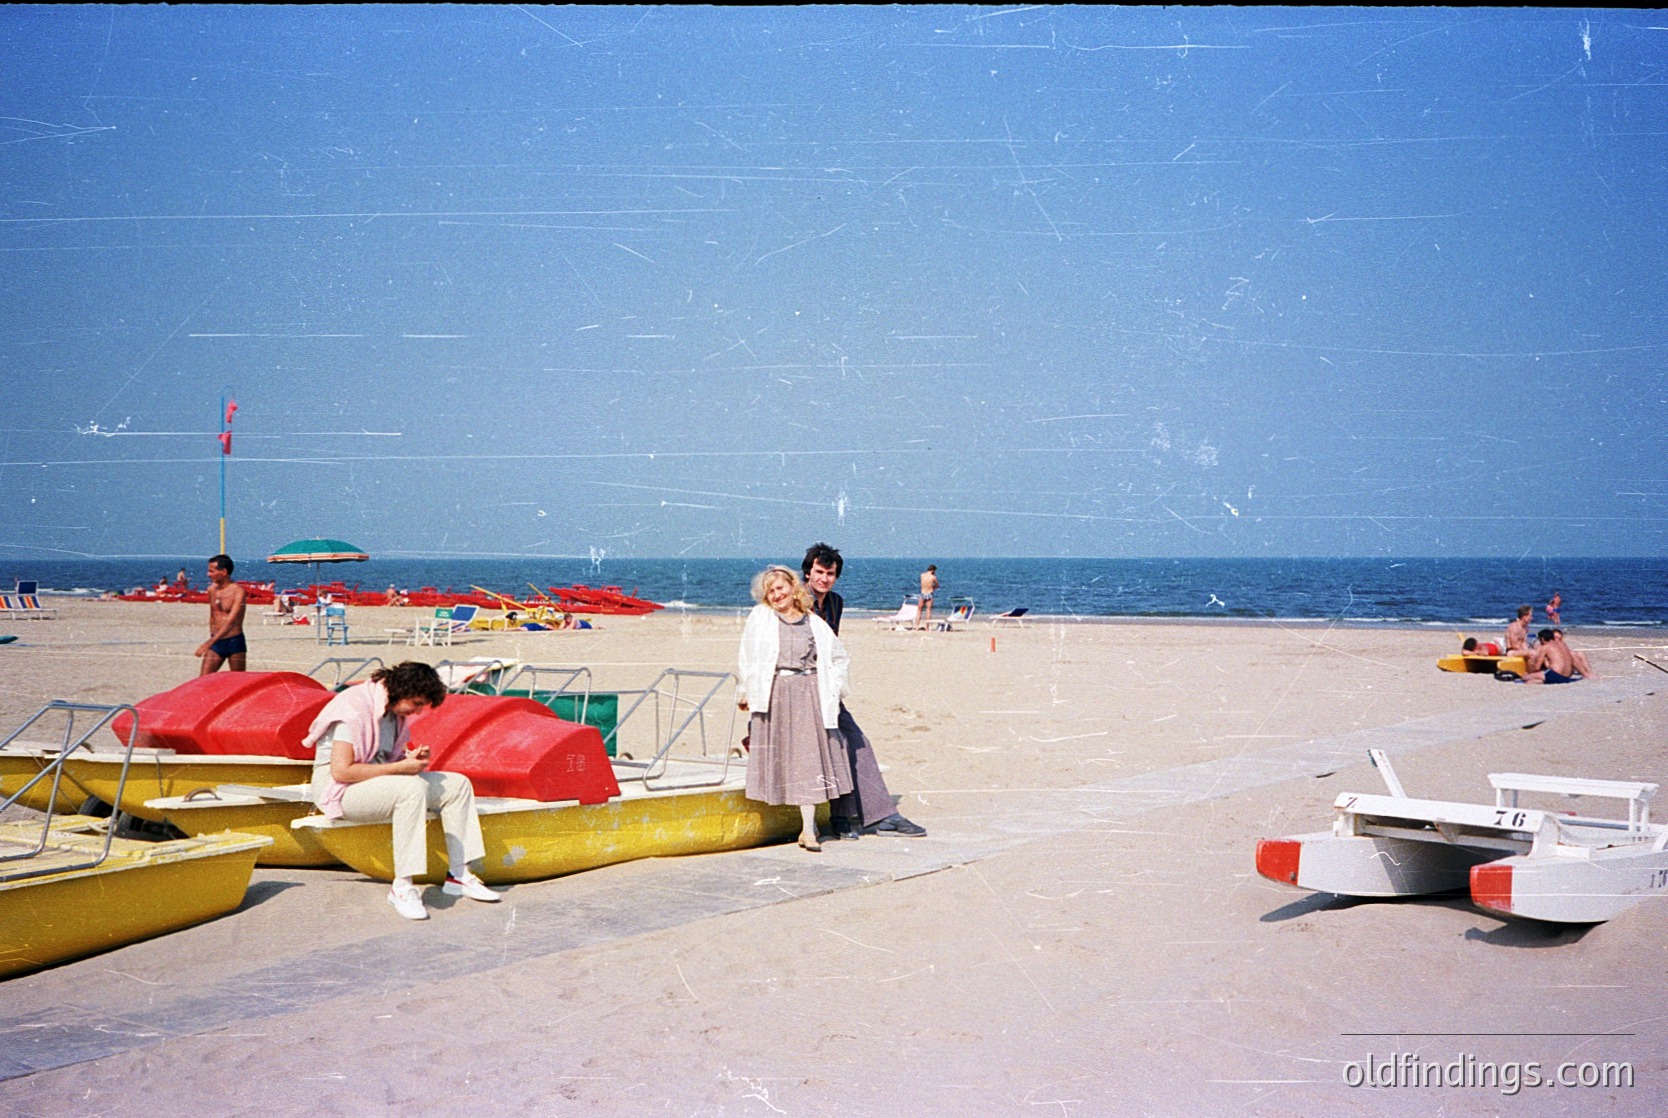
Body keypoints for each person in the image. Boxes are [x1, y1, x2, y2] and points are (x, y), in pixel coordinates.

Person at [305, 661, 500, 919]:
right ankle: (402, 887)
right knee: (411, 788)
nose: (417, 711)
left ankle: (459, 875)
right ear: (401, 691)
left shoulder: (391, 713)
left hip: (374, 784)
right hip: (341, 790)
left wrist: (410, 759)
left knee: (457, 784)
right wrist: (401, 768)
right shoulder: (353, 709)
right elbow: (342, 772)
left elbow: (383, 760)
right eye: (417, 703)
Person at [803, 542, 928, 840]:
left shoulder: (835, 602)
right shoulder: (795, 600)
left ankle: (876, 816)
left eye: (830, 573)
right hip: (801, 687)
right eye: (819, 572)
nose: (824, 578)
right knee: (835, 744)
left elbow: (832, 646)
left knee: (856, 741)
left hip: (827, 687)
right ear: (808, 572)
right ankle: (847, 818)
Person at [736, 565, 853, 852]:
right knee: (782, 760)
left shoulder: (813, 622)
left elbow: (838, 657)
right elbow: (746, 656)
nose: (777, 595)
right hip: (773, 695)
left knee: (807, 760)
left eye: (780, 588)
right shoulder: (760, 618)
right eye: (770, 592)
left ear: (793, 586)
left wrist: (834, 689)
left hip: (807, 695)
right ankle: (791, 825)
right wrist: (744, 691)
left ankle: (808, 829)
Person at [195, 554, 248, 675]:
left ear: (223, 572)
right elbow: (213, 615)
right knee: (203, 680)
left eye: (211, 571)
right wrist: (212, 637)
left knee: (237, 680)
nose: (208, 574)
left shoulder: (238, 591)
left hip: (234, 641)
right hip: (216, 641)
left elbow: (231, 621)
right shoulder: (211, 590)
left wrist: (209, 643)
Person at [1523, 628, 1595, 684]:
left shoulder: (1545, 647)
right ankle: (1541, 680)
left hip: (1556, 675)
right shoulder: (1563, 644)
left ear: (1542, 639)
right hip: (1567, 676)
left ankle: (1540, 680)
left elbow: (1537, 667)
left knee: (1526, 677)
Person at [918, 563, 940, 630]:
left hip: (923, 593)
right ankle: (927, 627)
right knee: (928, 610)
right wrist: (933, 588)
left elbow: (922, 583)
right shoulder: (933, 577)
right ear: (933, 570)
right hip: (929, 593)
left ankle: (916, 626)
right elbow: (937, 585)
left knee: (919, 610)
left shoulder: (922, 575)